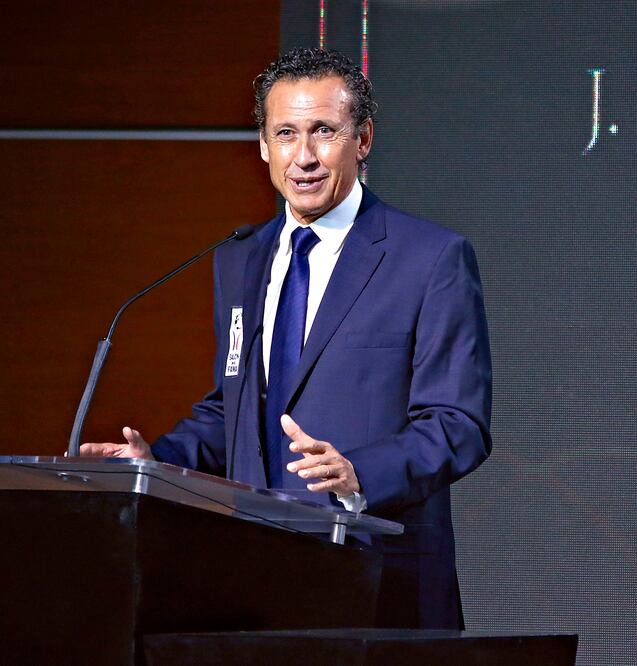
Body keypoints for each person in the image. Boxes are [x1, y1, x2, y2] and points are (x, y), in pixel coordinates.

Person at [81, 47, 493, 630]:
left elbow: (458, 423)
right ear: (263, 145)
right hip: (256, 577)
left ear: (363, 139)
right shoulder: (240, 258)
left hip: (379, 579)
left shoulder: (429, 258)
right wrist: (158, 462)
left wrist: (360, 473)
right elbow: (237, 407)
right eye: (285, 133)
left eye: (324, 131)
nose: (304, 157)